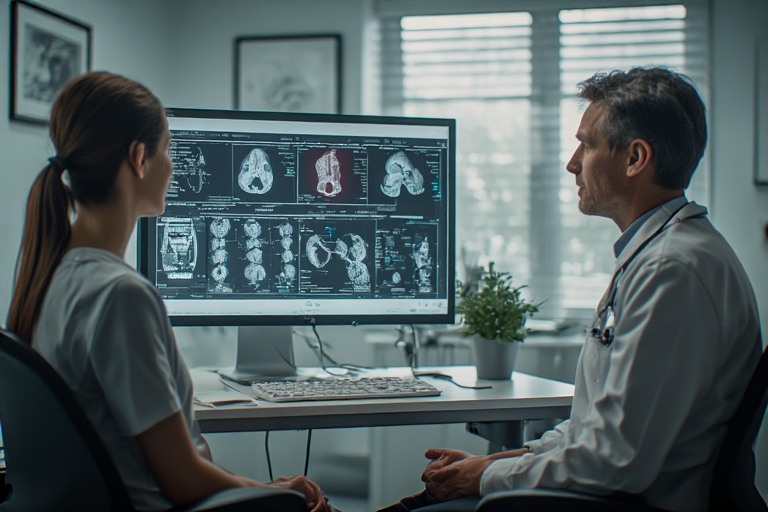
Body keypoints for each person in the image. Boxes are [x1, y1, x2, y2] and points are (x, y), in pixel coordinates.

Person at [394, 66, 763, 512]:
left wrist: (488, 477)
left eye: (587, 145)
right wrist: (495, 461)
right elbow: (593, 430)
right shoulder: (656, 254)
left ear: (635, 159)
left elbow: (615, 459)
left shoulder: (672, 270)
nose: (572, 163)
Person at [6, 71, 333, 512]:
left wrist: (256, 486)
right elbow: (184, 481)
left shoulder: (49, 274)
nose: (173, 166)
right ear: (140, 158)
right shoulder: (121, 296)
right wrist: (271, 492)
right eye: (169, 150)